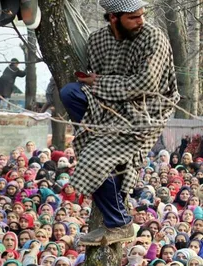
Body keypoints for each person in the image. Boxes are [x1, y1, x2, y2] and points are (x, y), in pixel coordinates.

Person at [59, 0, 179, 246]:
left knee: (95, 157)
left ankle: (119, 222)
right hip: (108, 104)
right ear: (114, 17)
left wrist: (101, 83)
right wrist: (97, 84)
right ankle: (100, 141)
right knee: (70, 92)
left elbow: (145, 85)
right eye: (133, 17)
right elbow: (91, 80)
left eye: (142, 15)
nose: (140, 21)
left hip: (146, 111)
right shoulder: (97, 40)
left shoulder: (153, 38)